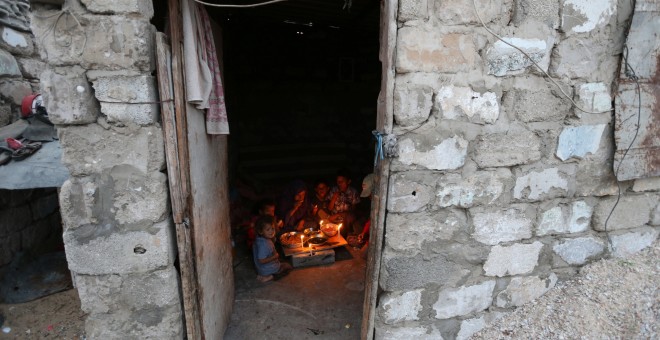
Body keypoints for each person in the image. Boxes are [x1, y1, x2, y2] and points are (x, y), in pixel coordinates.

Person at [252, 215, 293, 283]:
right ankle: (271, 276)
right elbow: (261, 260)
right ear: (260, 231)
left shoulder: (259, 239)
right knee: (288, 267)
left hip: (261, 269)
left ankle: (262, 274)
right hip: (267, 269)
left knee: (281, 261)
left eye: (272, 228)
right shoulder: (264, 244)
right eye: (268, 229)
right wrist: (274, 257)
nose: (271, 231)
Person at [327, 168, 360, 236]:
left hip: (346, 218)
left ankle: (346, 236)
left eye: (342, 182)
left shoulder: (353, 192)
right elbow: (329, 208)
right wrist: (334, 198)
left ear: (348, 181)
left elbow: (354, 210)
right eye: (338, 181)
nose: (339, 184)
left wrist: (341, 214)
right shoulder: (334, 190)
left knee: (349, 217)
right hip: (334, 217)